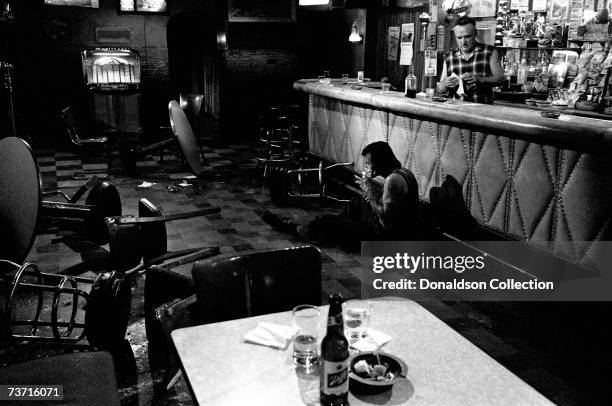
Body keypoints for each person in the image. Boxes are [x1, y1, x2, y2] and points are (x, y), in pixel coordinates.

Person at [262, 142, 420, 250]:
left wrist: (370, 193)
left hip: (386, 239)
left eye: (368, 163)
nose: (366, 166)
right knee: (357, 201)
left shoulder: (392, 181)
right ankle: (335, 229)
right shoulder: (404, 172)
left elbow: (386, 222)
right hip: (396, 230)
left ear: (381, 162)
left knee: (326, 220)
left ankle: (293, 227)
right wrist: (367, 193)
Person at [436, 16, 505, 104]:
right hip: (455, 112)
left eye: (467, 37)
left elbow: (501, 79)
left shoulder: (489, 52)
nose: (463, 42)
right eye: (459, 38)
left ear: (475, 33)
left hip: (482, 111)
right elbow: (440, 89)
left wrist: (480, 80)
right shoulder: (449, 57)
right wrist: (446, 83)